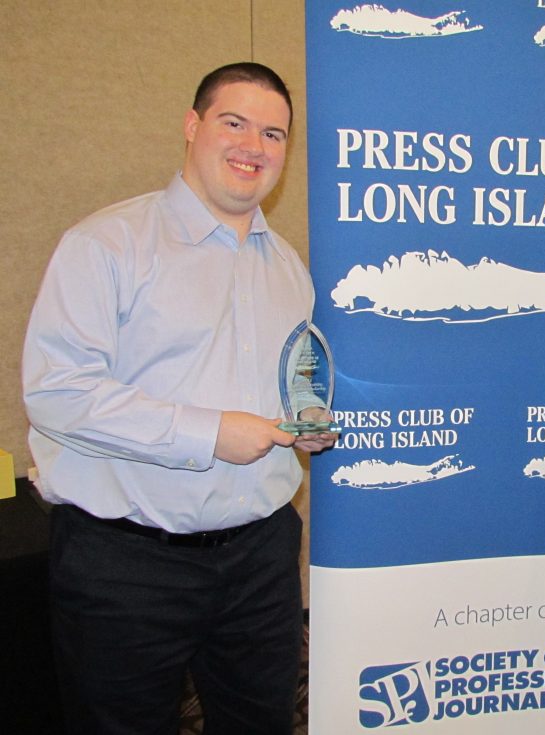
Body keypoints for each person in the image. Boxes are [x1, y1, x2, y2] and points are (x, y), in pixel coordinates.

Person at [22, 62, 337, 735]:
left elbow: (293, 376)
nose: (254, 144)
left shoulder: (288, 268)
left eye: (274, 133)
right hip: (127, 566)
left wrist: (306, 420)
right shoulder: (106, 245)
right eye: (235, 122)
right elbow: (56, 392)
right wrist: (207, 432)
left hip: (260, 560)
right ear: (192, 127)